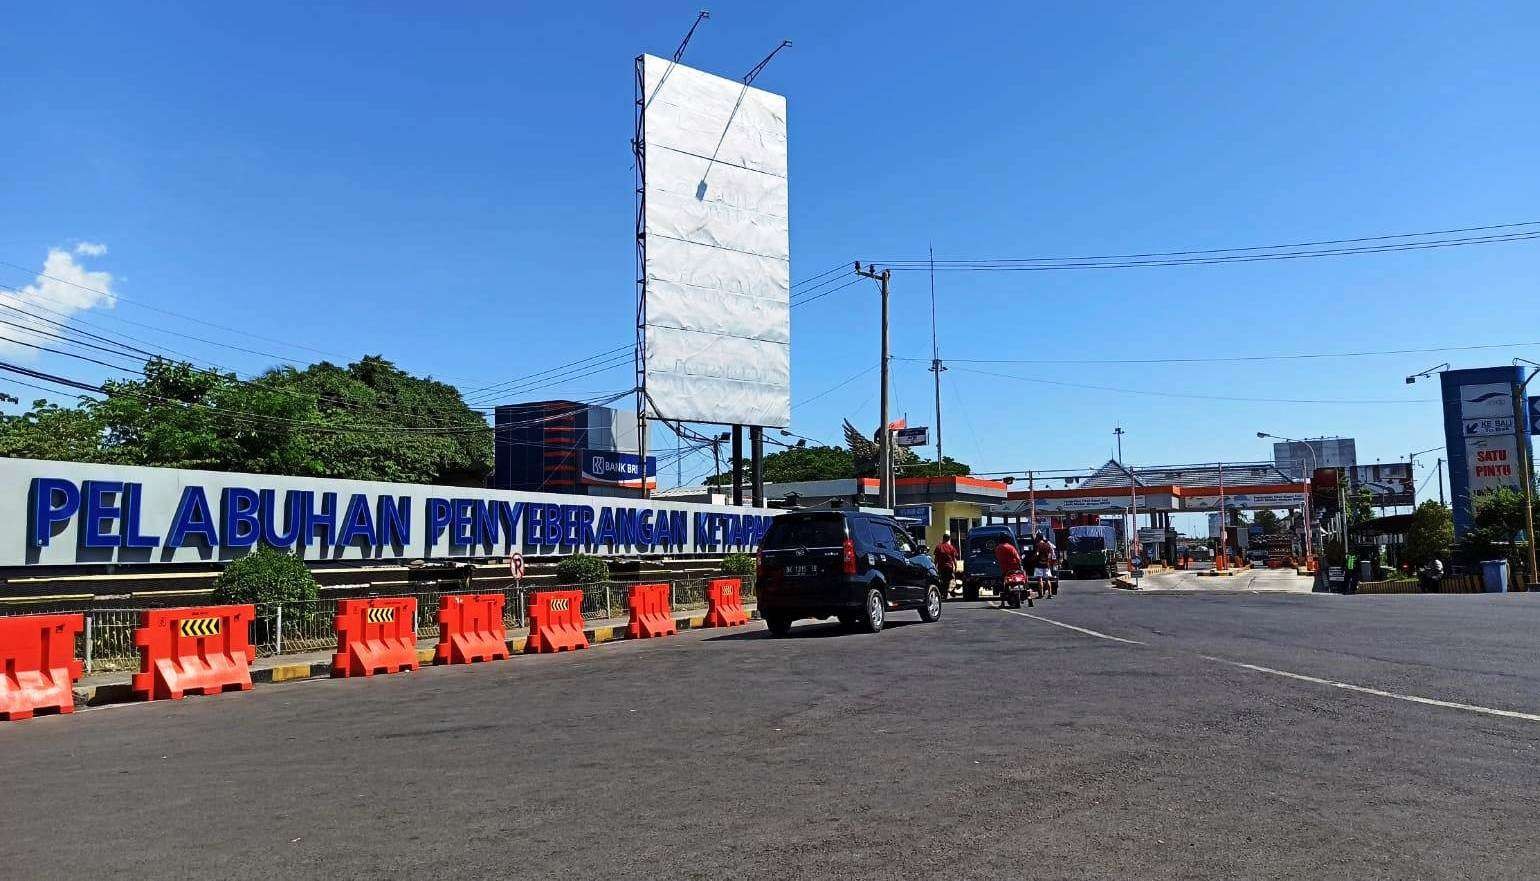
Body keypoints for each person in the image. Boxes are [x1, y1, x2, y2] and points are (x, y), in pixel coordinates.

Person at [993, 536, 1031, 608]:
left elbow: (998, 558)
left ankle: (1002, 603)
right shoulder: (1010, 547)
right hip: (1015, 568)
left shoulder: (997, 548)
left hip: (1005, 570)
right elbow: (1017, 557)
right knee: (1025, 580)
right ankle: (1029, 598)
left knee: (1003, 585)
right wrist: (1021, 566)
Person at [1034, 534, 1057, 598]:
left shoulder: (1038, 545)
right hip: (1046, 564)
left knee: (1040, 579)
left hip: (1039, 564)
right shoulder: (1048, 545)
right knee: (1047, 579)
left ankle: (1041, 594)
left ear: (1038, 538)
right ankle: (1050, 594)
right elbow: (1050, 554)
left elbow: (1037, 554)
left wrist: (1034, 557)